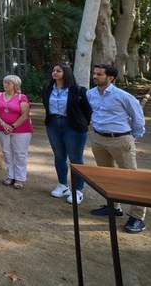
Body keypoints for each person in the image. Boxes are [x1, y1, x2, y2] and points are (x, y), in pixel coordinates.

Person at [86, 63, 147, 233]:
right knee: (106, 176)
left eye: (99, 74)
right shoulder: (90, 94)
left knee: (130, 178)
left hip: (120, 140)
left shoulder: (123, 96)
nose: (95, 76)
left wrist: (133, 136)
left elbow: (138, 119)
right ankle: (113, 207)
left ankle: (137, 217)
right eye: (94, 73)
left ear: (110, 78)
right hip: (98, 139)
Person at [42, 63, 92, 204]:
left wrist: (82, 123)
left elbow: (87, 110)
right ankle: (63, 185)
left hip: (72, 126)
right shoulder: (48, 88)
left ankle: (78, 190)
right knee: (59, 156)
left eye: (58, 70)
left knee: (75, 158)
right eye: (53, 70)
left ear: (67, 73)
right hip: (53, 124)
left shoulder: (77, 90)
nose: (55, 72)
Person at [0, 75, 32, 189]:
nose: (5, 85)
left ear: (15, 85)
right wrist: (3, 124)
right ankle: (10, 175)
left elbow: (25, 115)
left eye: (8, 83)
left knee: (20, 153)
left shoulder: (22, 97)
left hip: (22, 130)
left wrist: (12, 126)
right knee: (7, 152)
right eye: (4, 82)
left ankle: (19, 178)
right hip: (2, 129)